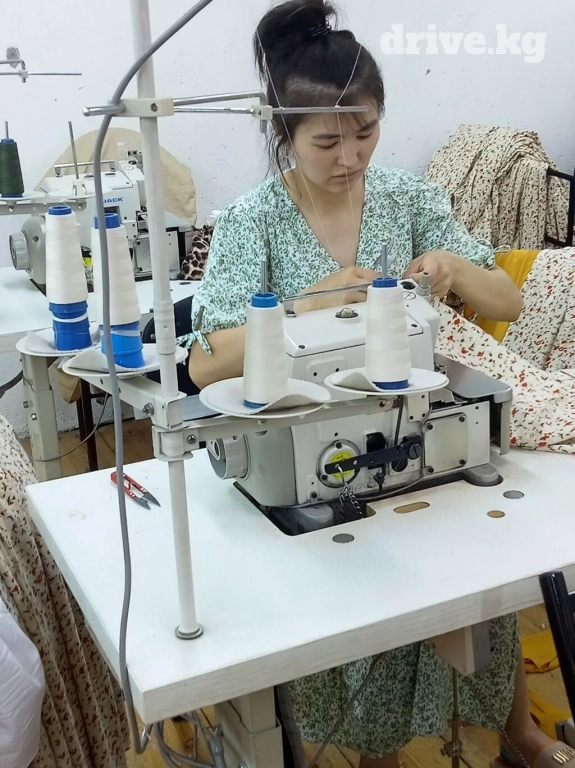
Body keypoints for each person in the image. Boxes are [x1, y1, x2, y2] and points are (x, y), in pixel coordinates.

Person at [183, 2, 575, 766]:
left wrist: (453, 267)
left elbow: (507, 301)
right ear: (283, 133)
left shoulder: (406, 199)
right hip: (318, 443)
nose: (349, 156)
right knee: (366, 598)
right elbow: (203, 363)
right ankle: (377, 752)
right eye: (326, 141)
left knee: (484, 571)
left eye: (364, 132)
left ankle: (517, 733)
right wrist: (304, 304)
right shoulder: (253, 222)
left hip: (422, 420)